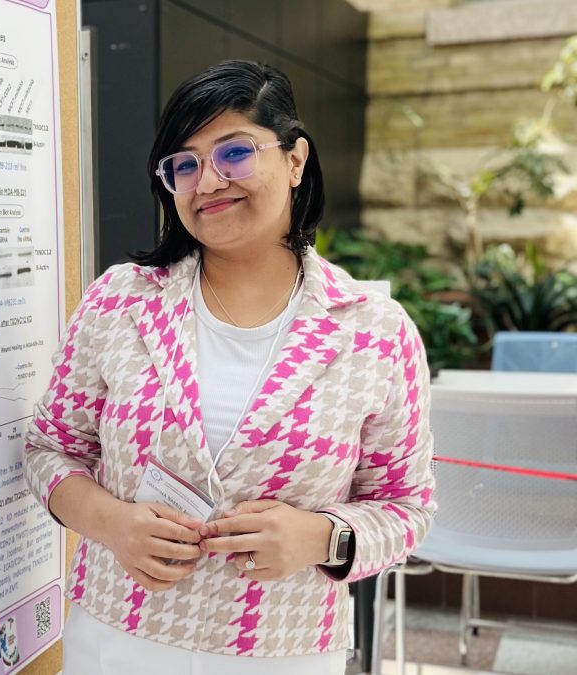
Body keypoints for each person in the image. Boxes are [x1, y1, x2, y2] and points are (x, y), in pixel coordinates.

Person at [24, 60, 436, 674]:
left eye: (235, 152)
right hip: (117, 637)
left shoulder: (373, 331)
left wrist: (319, 536)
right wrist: (112, 523)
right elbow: (48, 450)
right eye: (183, 165)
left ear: (295, 161)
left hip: (281, 647)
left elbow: (407, 506)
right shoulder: (121, 301)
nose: (208, 181)